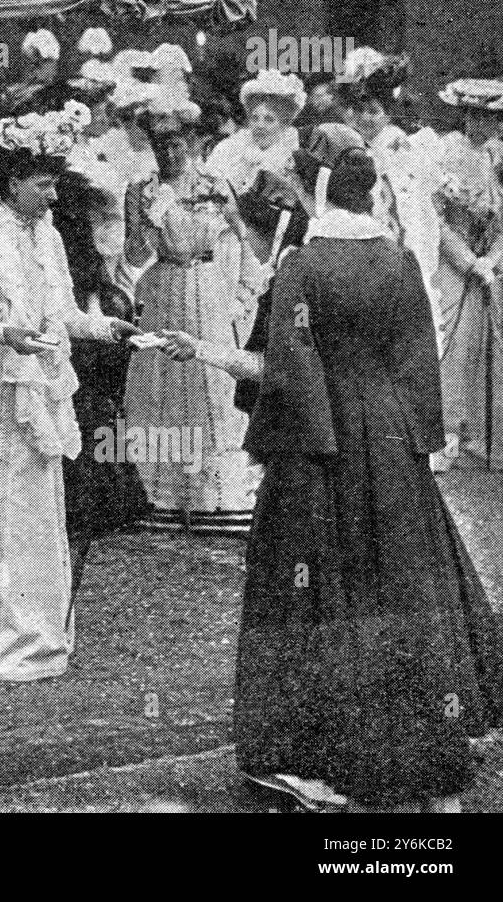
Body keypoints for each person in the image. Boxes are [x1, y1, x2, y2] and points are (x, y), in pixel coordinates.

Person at [230, 125, 503, 811]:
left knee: (311, 586)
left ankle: (314, 745)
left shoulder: (302, 265)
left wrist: (285, 436)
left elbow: (289, 369)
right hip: (389, 442)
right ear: (371, 192)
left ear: (320, 192)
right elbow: (418, 357)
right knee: (400, 579)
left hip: (322, 443)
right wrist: (419, 438)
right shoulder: (401, 260)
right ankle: (419, 732)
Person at [0, 110, 135, 682]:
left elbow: (64, 315)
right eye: (42, 182)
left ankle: (33, 628)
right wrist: (3, 334)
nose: (52, 194)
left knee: (32, 513)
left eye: (54, 181)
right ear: (12, 180)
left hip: (37, 392)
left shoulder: (47, 235)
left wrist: (105, 327)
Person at [121, 92, 265, 532]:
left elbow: (245, 240)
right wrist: (147, 221)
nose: (168, 152)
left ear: (192, 143)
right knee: (160, 384)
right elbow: (132, 254)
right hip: (164, 284)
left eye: (177, 143)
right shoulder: (139, 189)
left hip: (207, 287)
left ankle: (212, 494)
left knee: (211, 381)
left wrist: (243, 293)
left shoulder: (213, 186)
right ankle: (160, 494)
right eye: (159, 144)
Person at [53, 169, 149, 612]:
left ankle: (88, 500)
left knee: (84, 414)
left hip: (79, 335)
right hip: (82, 332)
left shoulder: (63, 241)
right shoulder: (68, 244)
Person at [334, 48, 442, 349]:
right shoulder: (355, 148)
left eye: (373, 111)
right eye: (358, 110)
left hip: (396, 250)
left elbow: (409, 212)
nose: (364, 118)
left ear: (388, 112)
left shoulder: (398, 147)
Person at [433, 78, 503, 467]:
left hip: (488, 265)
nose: (487, 125)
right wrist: (467, 259)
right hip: (454, 265)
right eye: (477, 116)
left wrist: (493, 258)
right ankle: (447, 435)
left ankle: (481, 438)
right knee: (452, 345)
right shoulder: (445, 153)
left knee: (484, 346)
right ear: (464, 116)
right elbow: (435, 219)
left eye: (494, 117)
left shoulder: (496, 157)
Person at [205, 69, 305, 197]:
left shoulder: (291, 154)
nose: (260, 125)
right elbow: (208, 183)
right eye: (254, 118)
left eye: (269, 119)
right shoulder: (231, 146)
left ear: (283, 125)